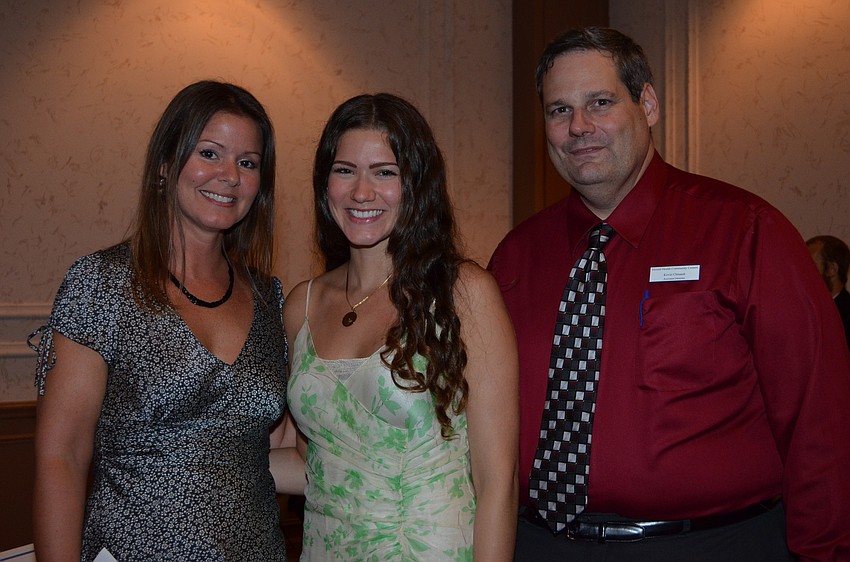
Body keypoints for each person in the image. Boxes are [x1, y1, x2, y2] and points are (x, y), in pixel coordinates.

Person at [488, 27, 850, 562]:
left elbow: (819, 418)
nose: (578, 128)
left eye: (600, 102)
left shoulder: (746, 232)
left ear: (648, 104)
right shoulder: (515, 257)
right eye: (559, 110)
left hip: (711, 545)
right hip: (540, 545)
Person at [29, 80, 298, 561]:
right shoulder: (103, 284)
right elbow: (62, 457)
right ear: (165, 164)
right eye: (210, 153)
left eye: (248, 163)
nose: (230, 176)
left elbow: (271, 445)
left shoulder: (269, 296)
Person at [282, 93, 519, 561]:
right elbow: (307, 462)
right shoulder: (301, 305)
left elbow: (497, 484)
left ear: (416, 184)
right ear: (324, 183)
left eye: (385, 172)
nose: (361, 192)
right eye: (345, 170)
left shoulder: (463, 294)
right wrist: (179, 455)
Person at [807, 234, 850, 349]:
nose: (803, 274)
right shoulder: (808, 312)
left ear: (831, 269)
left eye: (809, 266)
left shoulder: (845, 316)